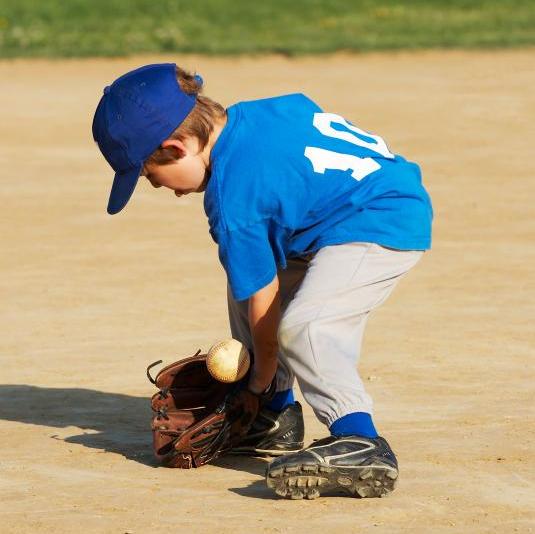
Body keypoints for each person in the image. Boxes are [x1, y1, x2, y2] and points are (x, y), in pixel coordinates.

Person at [92, 63, 433, 499]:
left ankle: (359, 440)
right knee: (249, 292)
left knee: (306, 326)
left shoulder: (236, 199)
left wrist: (255, 382)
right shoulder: (252, 117)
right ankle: (276, 418)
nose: (167, 190)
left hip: (381, 220)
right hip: (339, 212)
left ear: (176, 147)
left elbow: (264, 303)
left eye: (151, 177)